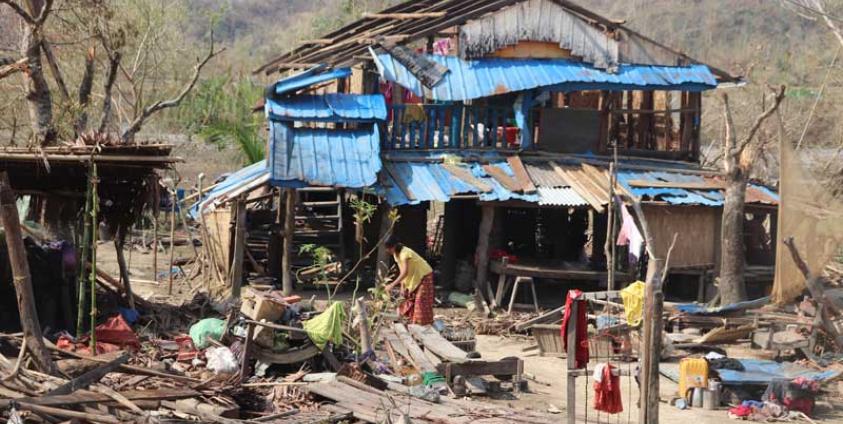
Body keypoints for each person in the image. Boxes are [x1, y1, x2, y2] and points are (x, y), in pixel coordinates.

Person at [383, 235, 434, 325]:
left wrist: (392, 285)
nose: (387, 251)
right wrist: (402, 287)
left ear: (394, 246)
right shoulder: (396, 255)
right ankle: (410, 322)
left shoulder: (405, 253)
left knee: (420, 302)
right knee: (405, 299)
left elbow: (405, 272)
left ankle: (423, 326)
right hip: (414, 277)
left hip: (424, 276)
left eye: (389, 248)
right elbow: (402, 271)